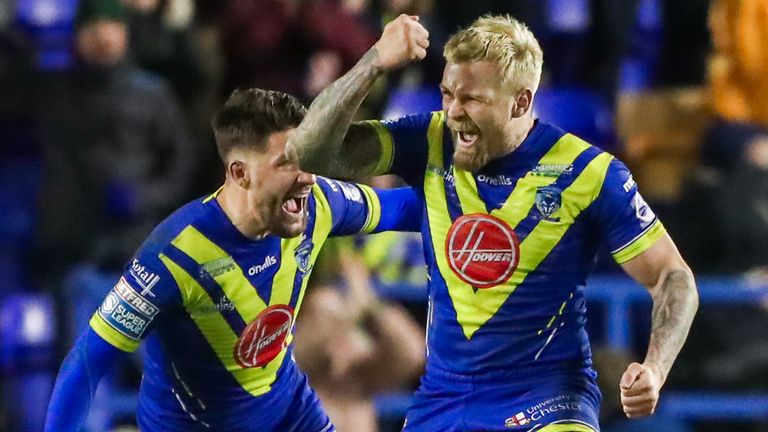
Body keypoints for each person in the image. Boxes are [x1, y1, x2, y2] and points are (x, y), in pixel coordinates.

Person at [286, 14, 699, 431]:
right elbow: (310, 152)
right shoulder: (429, 141)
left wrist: (656, 367)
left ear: (520, 101)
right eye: (448, 94)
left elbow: (671, 276)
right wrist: (373, 62)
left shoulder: (588, 173)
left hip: (549, 398)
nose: (453, 112)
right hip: (446, 400)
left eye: (472, 100)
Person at [44, 88, 422, 431]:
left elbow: (405, 208)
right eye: (286, 164)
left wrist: (473, 191)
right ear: (240, 173)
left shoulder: (319, 204)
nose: (307, 178)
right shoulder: (175, 254)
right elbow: (87, 362)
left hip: (290, 414)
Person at [294, 252, 425, 432]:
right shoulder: (297, 377)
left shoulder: (361, 381)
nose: (343, 340)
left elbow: (411, 353)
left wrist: (370, 307)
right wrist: (345, 314)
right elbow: (303, 351)